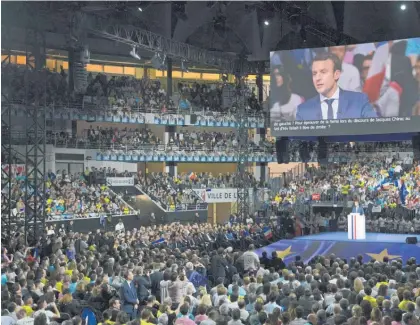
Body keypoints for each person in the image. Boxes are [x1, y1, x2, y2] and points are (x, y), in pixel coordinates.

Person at [296, 52, 377, 121]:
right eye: (314, 73)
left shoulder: (360, 101)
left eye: (323, 72)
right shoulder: (303, 110)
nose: (317, 78)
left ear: (336, 74)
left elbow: (374, 131)